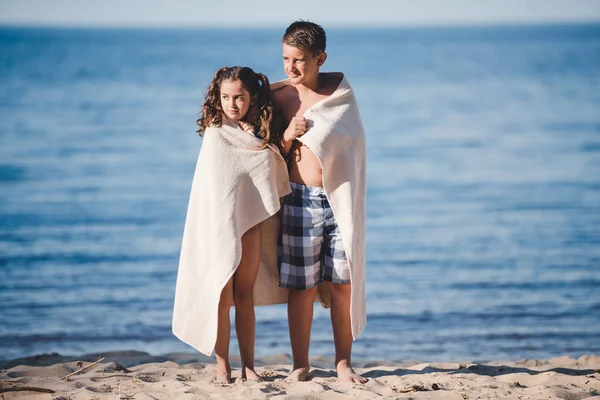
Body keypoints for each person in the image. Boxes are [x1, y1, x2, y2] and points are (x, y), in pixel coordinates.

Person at [172, 66, 291, 384]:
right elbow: (213, 187)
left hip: (250, 223)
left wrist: (275, 132)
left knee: (244, 294)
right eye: (225, 97)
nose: (232, 103)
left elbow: (269, 165)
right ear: (217, 97)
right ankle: (222, 366)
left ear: (252, 98)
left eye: (239, 97)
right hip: (218, 224)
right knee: (222, 295)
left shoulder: (260, 134)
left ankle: (248, 365)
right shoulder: (215, 131)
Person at [272, 21, 368, 384]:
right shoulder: (280, 97)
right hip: (299, 201)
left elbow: (354, 147)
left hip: (338, 201)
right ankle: (301, 364)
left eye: (299, 60)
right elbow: (266, 154)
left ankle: (343, 362)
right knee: (302, 287)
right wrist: (286, 136)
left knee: (342, 285)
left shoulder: (341, 94)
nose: (291, 68)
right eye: (285, 58)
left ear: (320, 58)